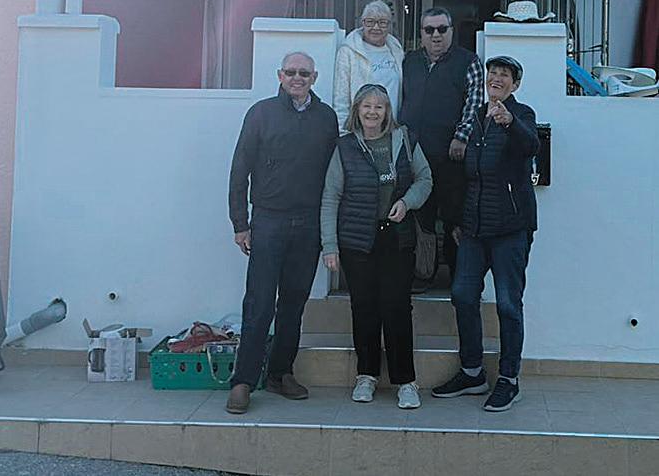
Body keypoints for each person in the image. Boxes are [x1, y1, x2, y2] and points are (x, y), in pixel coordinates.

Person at [226, 52, 338, 414]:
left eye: (304, 73)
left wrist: (329, 229)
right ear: (280, 75)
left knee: (293, 303)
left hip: (308, 224)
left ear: (314, 77)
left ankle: (280, 373)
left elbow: (333, 177)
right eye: (291, 72)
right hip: (268, 221)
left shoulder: (326, 118)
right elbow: (240, 169)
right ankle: (243, 381)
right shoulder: (261, 113)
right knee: (259, 303)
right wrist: (240, 223)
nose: (297, 78)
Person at [431, 56, 539, 412]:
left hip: (510, 230)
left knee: (508, 304)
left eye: (505, 75)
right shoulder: (475, 118)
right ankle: (472, 372)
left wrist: (510, 123)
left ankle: (509, 379)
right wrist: (457, 221)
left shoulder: (522, 115)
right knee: (462, 295)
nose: (497, 78)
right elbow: (463, 175)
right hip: (474, 231)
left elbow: (531, 146)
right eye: (493, 73)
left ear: (515, 85)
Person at [321, 84, 432, 409]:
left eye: (379, 107)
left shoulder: (405, 140)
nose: (372, 112)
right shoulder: (344, 147)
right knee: (364, 308)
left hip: (397, 237)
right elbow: (331, 196)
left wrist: (407, 202)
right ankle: (366, 375)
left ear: (387, 111)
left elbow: (425, 179)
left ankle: (406, 381)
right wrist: (329, 245)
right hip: (357, 240)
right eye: (366, 106)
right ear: (357, 109)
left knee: (397, 308)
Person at [399, 7, 484, 287]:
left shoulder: (468, 61)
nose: (436, 35)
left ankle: (460, 281)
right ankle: (424, 274)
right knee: (421, 218)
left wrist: (461, 136)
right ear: (421, 33)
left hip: (451, 155)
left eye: (442, 29)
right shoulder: (409, 61)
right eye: (429, 30)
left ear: (451, 31)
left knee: (454, 217)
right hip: (414, 155)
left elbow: (474, 104)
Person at [333, 0, 404, 133]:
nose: (376, 27)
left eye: (382, 22)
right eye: (370, 22)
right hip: (361, 130)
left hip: (390, 129)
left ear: (389, 25)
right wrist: (343, 132)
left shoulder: (396, 50)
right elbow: (341, 97)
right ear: (362, 23)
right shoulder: (349, 51)